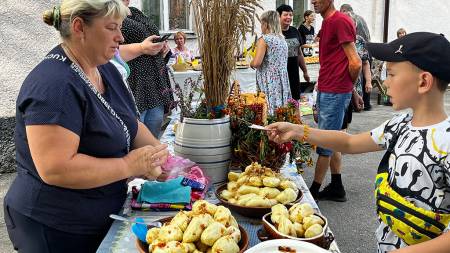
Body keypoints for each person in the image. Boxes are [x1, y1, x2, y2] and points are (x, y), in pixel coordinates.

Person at [3, 1, 170, 252]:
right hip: (55, 227)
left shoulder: (104, 69)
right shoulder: (53, 85)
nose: (120, 37)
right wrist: (128, 165)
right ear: (80, 27)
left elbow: (130, 124)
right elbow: (56, 168)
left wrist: (160, 157)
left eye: (121, 27)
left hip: (97, 214)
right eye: (112, 27)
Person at [267, 32, 450, 253]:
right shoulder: (401, 123)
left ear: (423, 82)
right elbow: (350, 143)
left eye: (391, 74)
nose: (385, 81)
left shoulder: (446, 142)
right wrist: (297, 130)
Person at [308, 0, 362, 202]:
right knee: (335, 138)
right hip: (329, 88)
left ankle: (312, 192)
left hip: (334, 91)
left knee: (324, 142)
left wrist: (348, 88)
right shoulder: (328, 22)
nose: (313, 1)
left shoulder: (340, 20)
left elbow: (355, 63)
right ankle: (337, 187)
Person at [121, 0, 174, 139]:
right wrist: (142, 48)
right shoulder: (107, 13)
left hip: (154, 78)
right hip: (135, 79)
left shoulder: (136, 11)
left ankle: (152, 159)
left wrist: (161, 47)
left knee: (154, 129)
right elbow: (107, 50)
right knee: (137, 134)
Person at [250, 10, 290, 113]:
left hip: (269, 79)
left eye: (261, 24)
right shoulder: (282, 39)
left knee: (268, 109)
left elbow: (257, 63)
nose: (261, 27)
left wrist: (251, 62)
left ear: (266, 24)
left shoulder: (264, 39)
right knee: (281, 109)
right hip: (282, 79)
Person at [340, 3, 373, 111]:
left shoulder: (359, 41)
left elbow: (365, 63)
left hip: (355, 86)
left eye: (351, 24)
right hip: (338, 86)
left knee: (349, 117)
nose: (348, 27)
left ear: (355, 25)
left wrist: (368, 81)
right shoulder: (336, 39)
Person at [276, 4, 310, 101]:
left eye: (291, 15)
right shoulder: (274, 32)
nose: (289, 17)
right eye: (285, 15)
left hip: (294, 73)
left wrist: (305, 71)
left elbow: (299, 53)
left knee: (294, 100)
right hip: (279, 74)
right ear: (278, 16)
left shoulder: (295, 31)